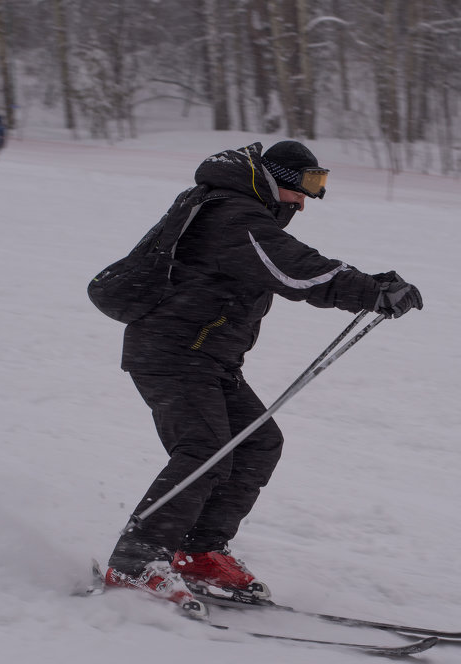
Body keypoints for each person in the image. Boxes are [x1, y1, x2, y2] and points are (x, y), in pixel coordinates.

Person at [101, 140, 423, 614]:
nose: (305, 201)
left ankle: (197, 550)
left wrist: (371, 286)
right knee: (205, 450)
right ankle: (135, 562)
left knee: (256, 443)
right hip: (172, 354)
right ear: (278, 180)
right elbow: (294, 271)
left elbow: (292, 266)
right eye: (305, 187)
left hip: (205, 357)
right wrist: (369, 290)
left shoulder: (240, 211)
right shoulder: (234, 215)